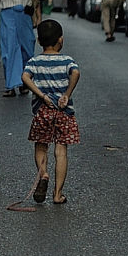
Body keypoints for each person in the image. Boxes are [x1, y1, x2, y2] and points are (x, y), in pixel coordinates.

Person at [22, 20, 80, 205]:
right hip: (63, 113)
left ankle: (44, 174)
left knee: (41, 146)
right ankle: (57, 194)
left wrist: (41, 95)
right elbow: (76, 73)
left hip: (42, 112)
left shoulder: (35, 61)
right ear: (60, 40)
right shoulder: (67, 60)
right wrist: (66, 94)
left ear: (39, 41)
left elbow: (25, 77)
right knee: (61, 151)